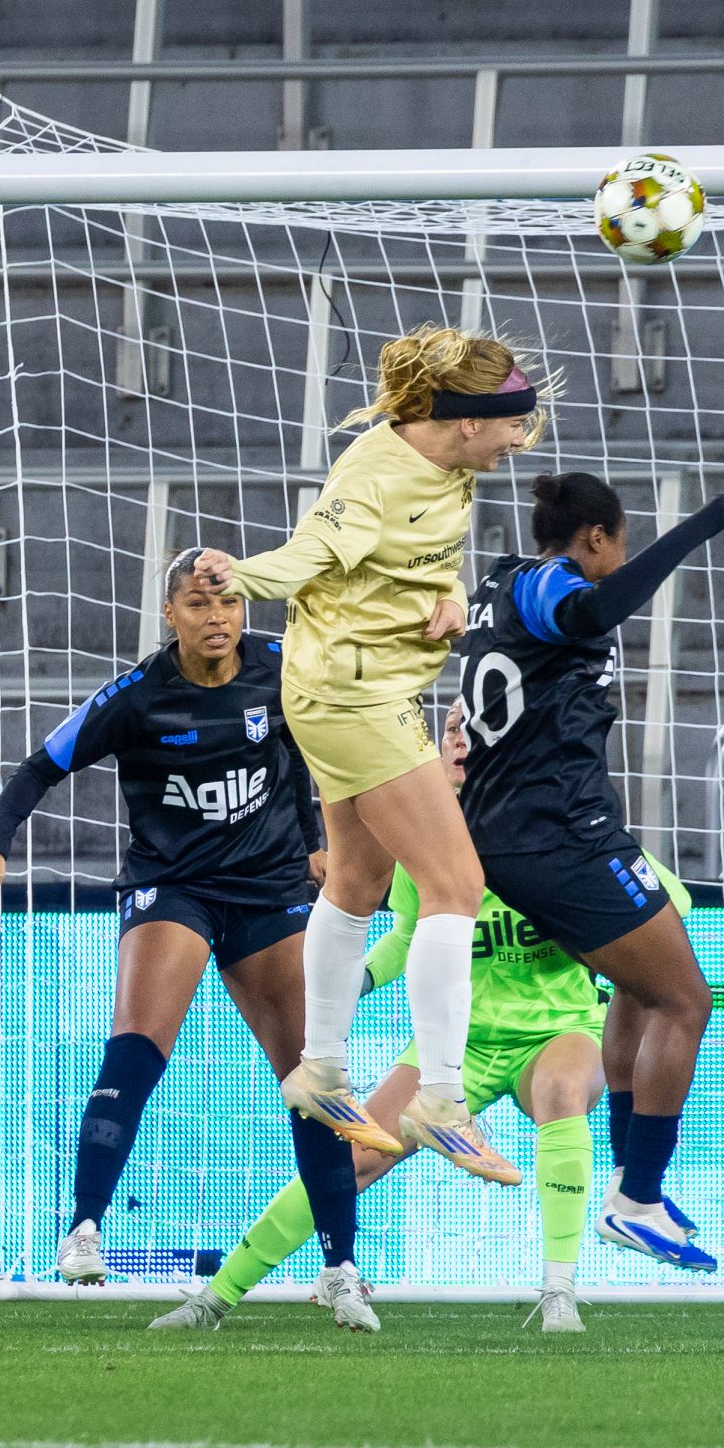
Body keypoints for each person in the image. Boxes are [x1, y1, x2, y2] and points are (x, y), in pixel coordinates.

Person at [152, 704, 692, 1336]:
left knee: (563, 1091)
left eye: (475, 726)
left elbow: (665, 908)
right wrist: (352, 979)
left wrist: (603, 953)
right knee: (353, 1156)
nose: (460, 738)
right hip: (454, 1047)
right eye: (451, 729)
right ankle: (216, 1297)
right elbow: (409, 935)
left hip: (557, 1029)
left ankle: (559, 1293)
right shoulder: (425, 843)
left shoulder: (563, 832)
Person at [189, 323, 550, 1187]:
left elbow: (418, 561)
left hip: (368, 687)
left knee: (357, 882)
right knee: (456, 885)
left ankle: (319, 1068)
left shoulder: (452, 467)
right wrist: (243, 575)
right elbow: (313, 552)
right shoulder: (374, 472)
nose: (519, 442)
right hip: (354, 699)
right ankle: (440, 1096)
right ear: (467, 421)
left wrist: (450, 596)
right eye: (513, 425)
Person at [0, 550, 368, 1313]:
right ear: (170, 615)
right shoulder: (138, 695)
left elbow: (313, 750)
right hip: (173, 886)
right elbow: (37, 767)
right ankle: (83, 1226)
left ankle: (340, 1266)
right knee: (138, 1044)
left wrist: (318, 837)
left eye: (230, 604)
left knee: (314, 1072)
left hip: (268, 886)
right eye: (198, 604)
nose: (217, 618)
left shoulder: (282, 668)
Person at [455, 470, 724, 1270]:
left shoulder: (500, 579)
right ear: (596, 540)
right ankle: (636, 1197)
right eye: (613, 547)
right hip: (560, 837)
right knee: (686, 999)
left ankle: (630, 1180)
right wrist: (697, 528)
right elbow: (590, 607)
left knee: (642, 990)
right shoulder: (552, 583)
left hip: (522, 834)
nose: (613, 563)